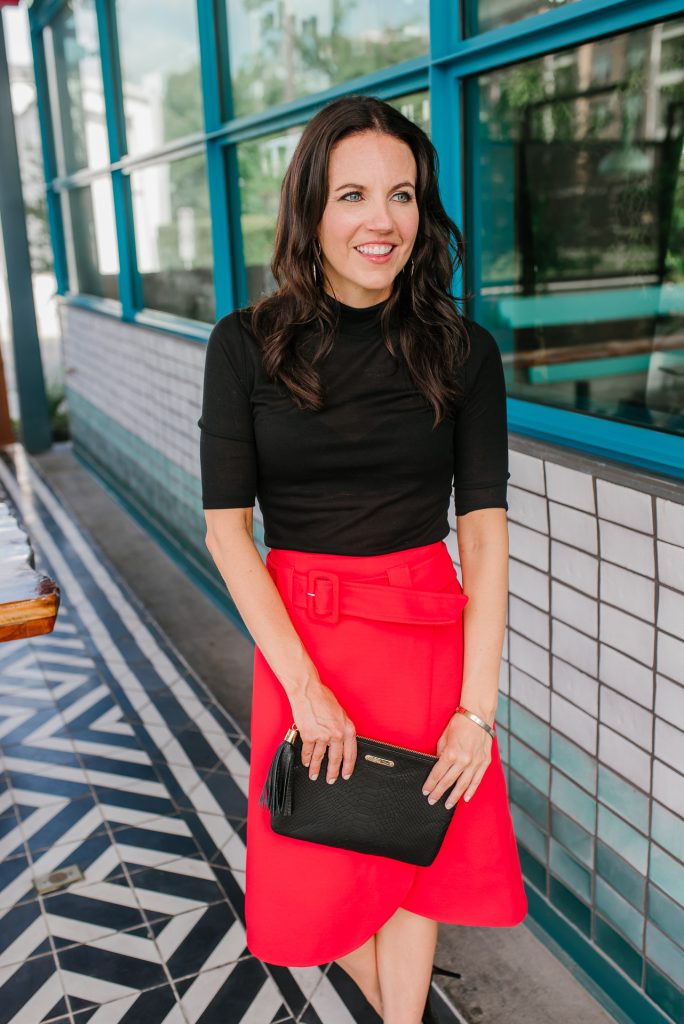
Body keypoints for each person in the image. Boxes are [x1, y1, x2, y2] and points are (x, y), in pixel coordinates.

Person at [198, 93, 527, 1024]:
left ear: (424, 212)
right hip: (306, 643)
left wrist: (477, 710)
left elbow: (486, 535)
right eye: (352, 195)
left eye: (403, 195)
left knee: (412, 860)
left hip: (427, 635)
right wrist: (302, 686)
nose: (381, 220)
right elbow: (228, 532)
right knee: (325, 873)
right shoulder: (245, 346)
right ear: (311, 207)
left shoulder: (463, 351)